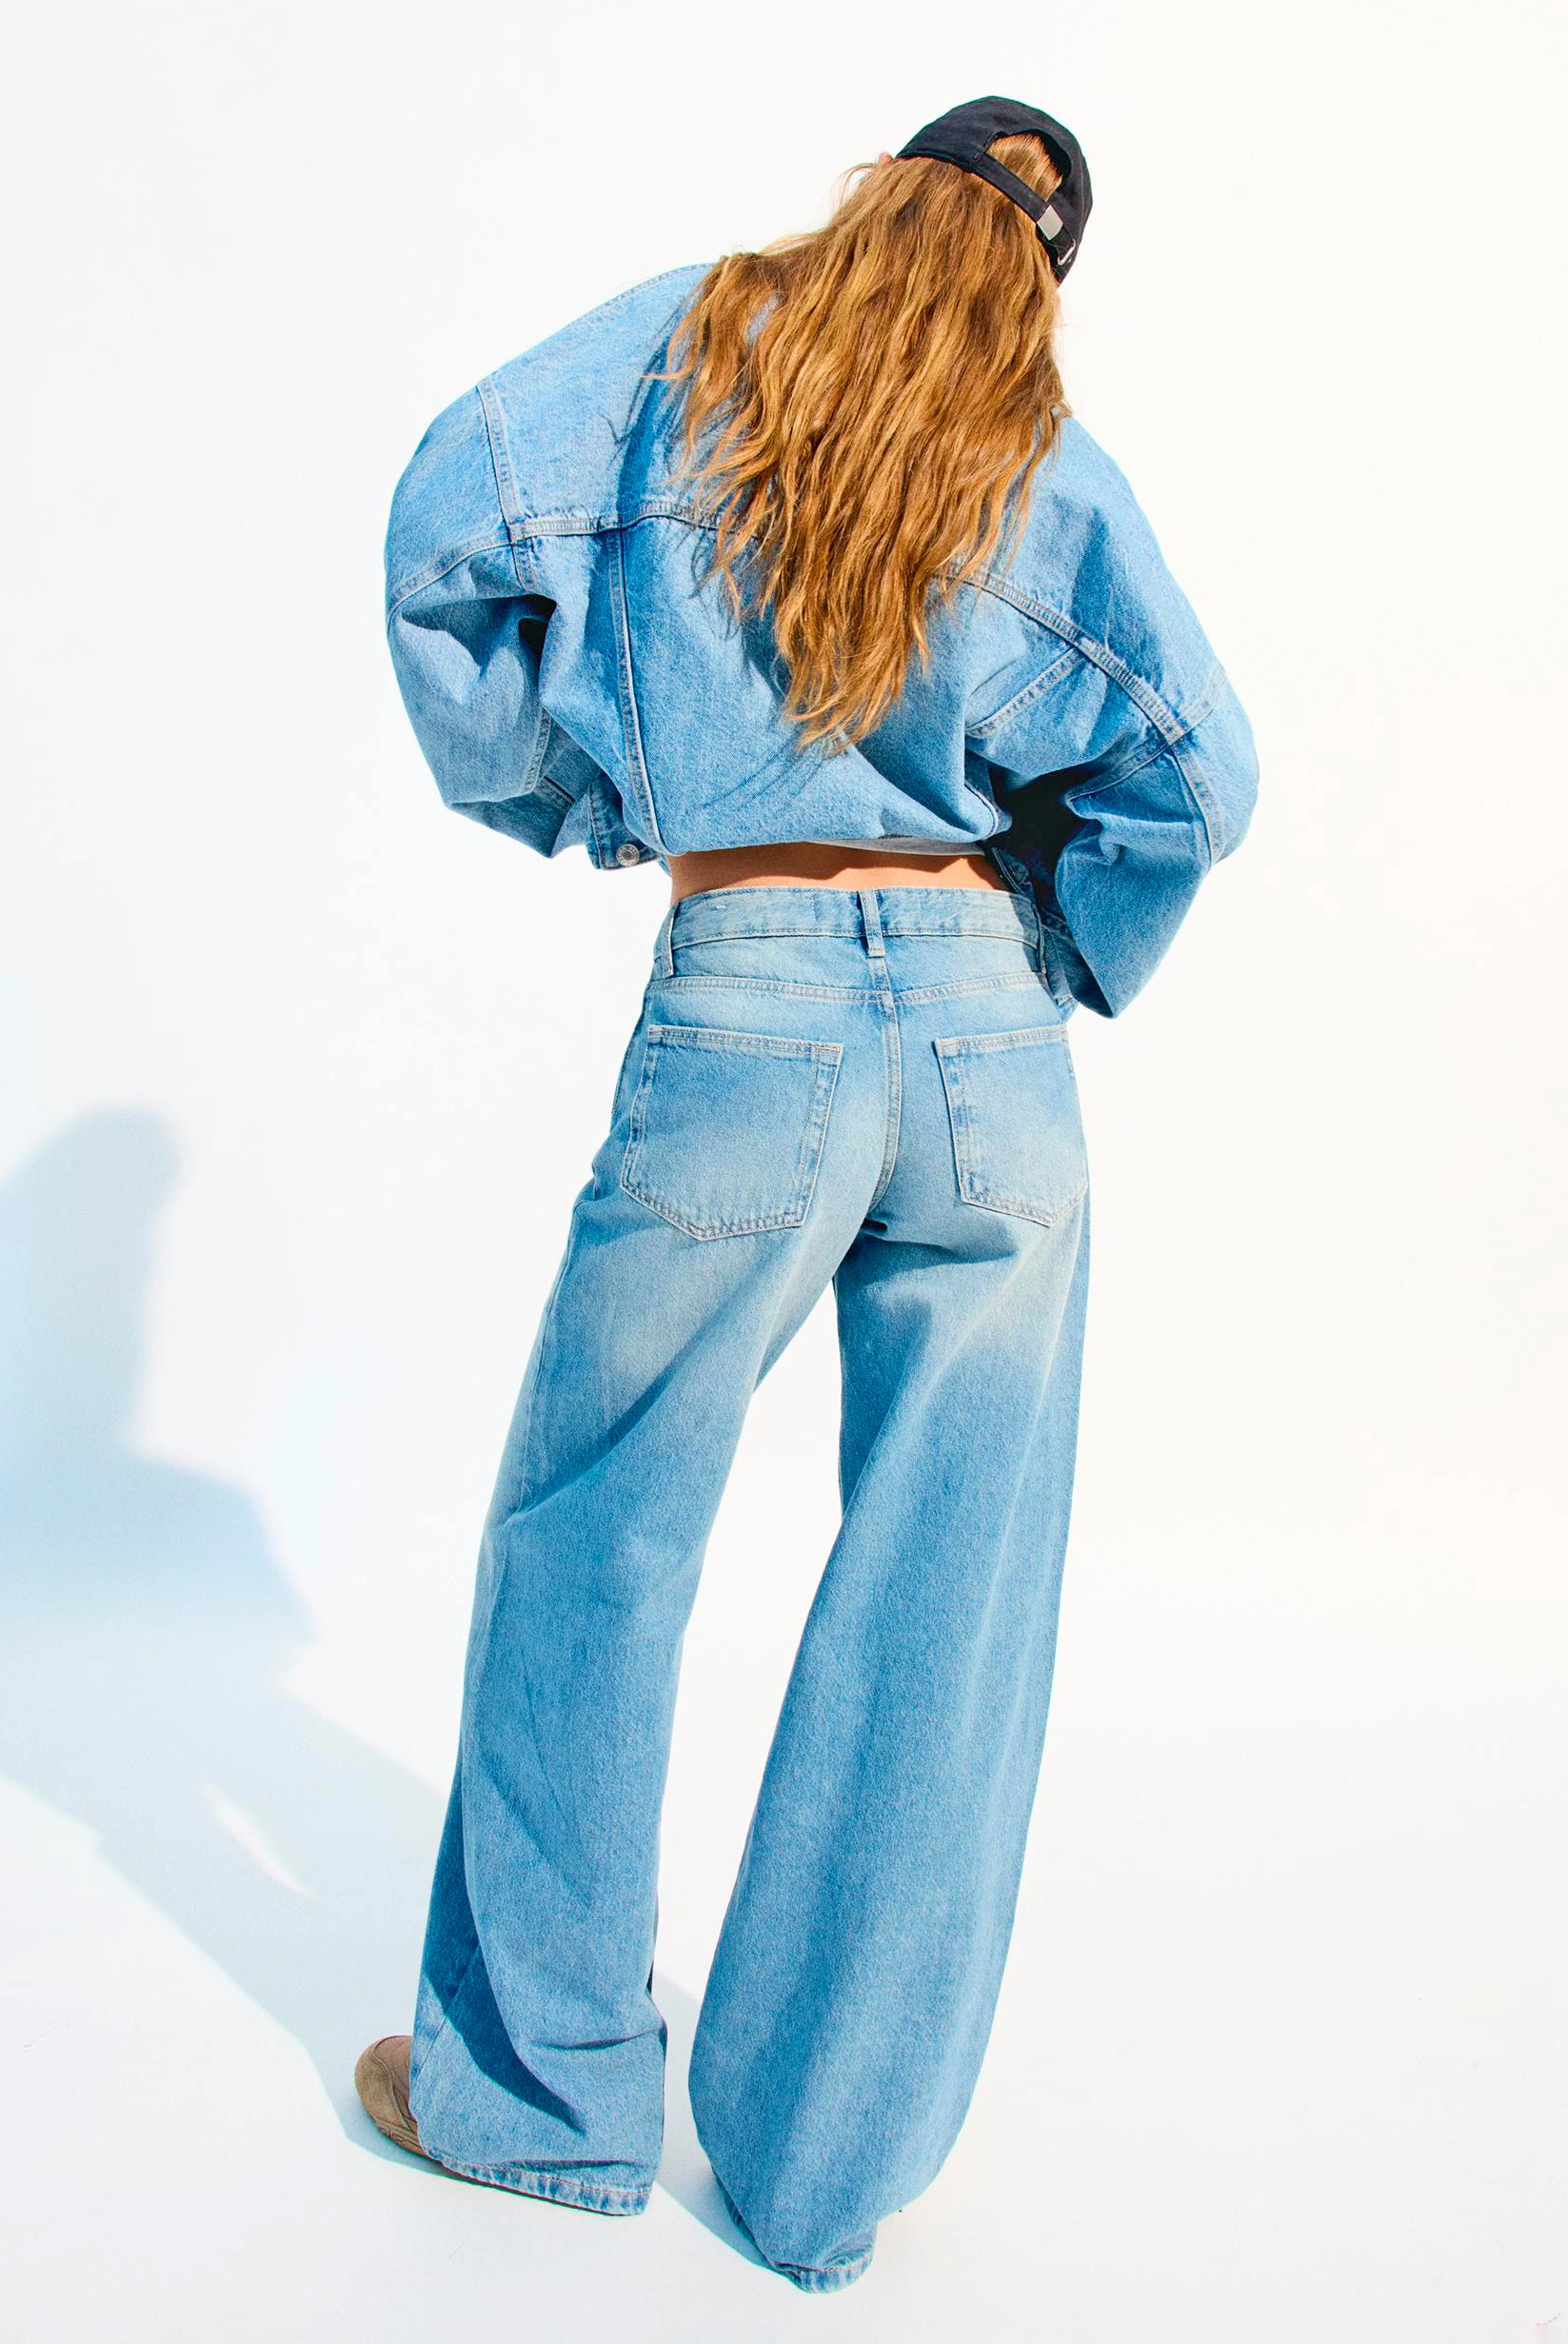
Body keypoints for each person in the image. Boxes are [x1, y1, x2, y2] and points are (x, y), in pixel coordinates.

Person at [356, 94, 1258, 2294]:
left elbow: (447, 527)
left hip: (747, 997)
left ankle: (543, 2100)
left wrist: (581, 787)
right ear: (1038, 277)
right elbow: (1201, 772)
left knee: (598, 1527)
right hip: (985, 1043)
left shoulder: (696, 345)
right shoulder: (1037, 456)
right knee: (947, 1592)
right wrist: (1046, 937)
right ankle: (816, 2173)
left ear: (883, 190)